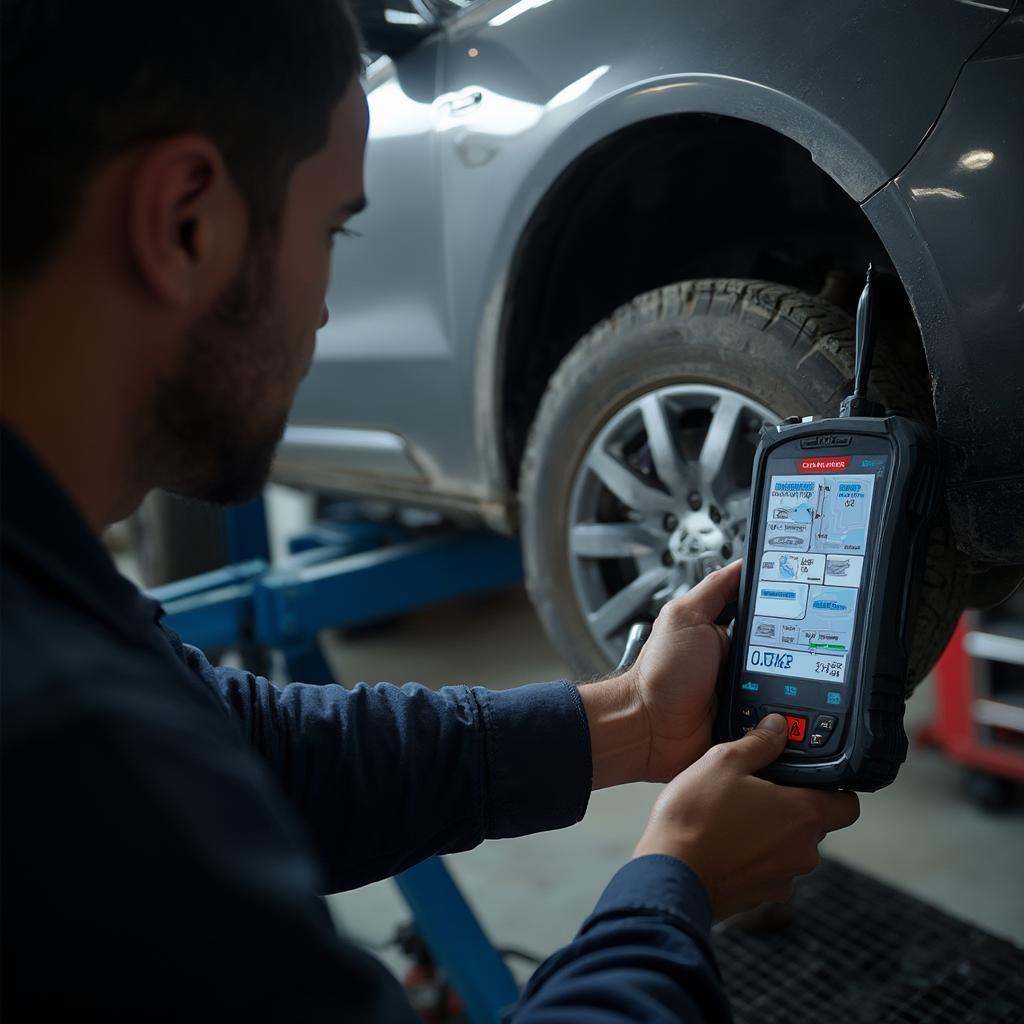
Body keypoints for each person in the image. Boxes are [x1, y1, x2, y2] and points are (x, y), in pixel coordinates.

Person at [0, 1, 860, 1018]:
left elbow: (257, 753)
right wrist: (669, 892)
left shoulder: (54, 619)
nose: (323, 304)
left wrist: (631, 721)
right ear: (187, 220)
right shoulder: (59, 747)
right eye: (330, 229)